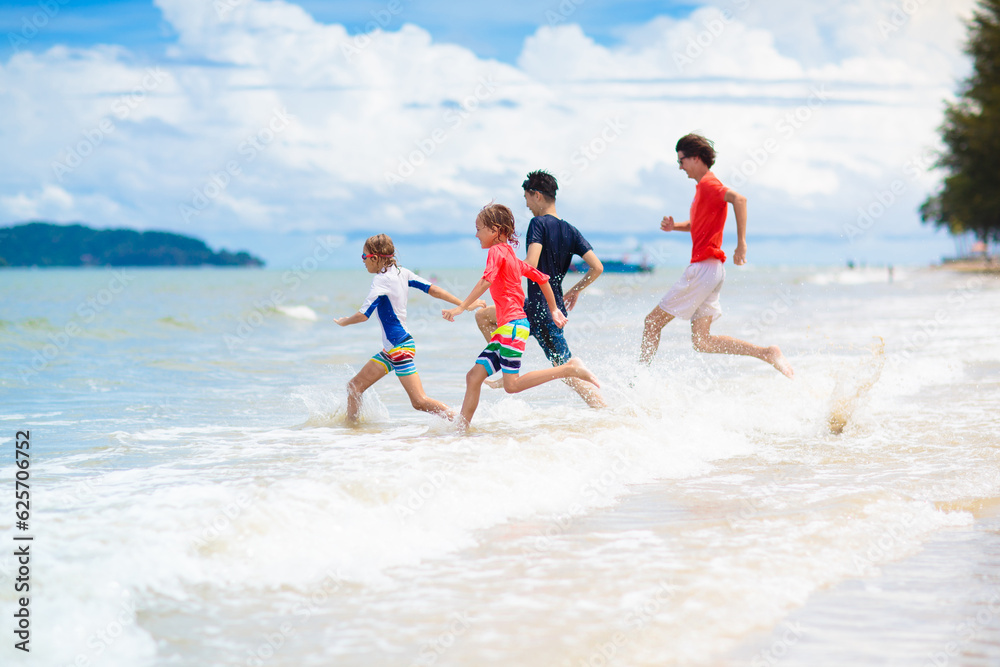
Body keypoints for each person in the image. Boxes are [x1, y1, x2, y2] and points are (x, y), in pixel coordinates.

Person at [639, 134, 794, 378]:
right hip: (712, 270)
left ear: (696, 158)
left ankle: (638, 381)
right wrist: (674, 226)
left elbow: (739, 199)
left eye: (681, 160)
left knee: (651, 323)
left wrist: (741, 243)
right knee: (702, 342)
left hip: (703, 268)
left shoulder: (709, 185)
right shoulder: (703, 189)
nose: (680, 167)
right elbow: (698, 224)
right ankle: (767, 353)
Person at [442, 203, 601, 431]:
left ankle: (568, 369)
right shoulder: (511, 256)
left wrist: (461, 307)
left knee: (512, 385)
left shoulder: (496, 252)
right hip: (508, 328)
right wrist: (554, 310)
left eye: (479, 229)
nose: (476, 234)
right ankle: (461, 429)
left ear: (495, 230)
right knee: (474, 376)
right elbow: (543, 279)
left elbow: (486, 280)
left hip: (513, 327)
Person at [474, 170, 606, 408]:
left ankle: (603, 409)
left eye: (527, 198)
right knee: (483, 316)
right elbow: (597, 267)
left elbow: (531, 264)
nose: (527, 206)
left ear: (536, 195)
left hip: (539, 310)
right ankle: (506, 368)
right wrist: (575, 290)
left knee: (566, 369)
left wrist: (505, 269)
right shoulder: (571, 230)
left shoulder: (538, 223)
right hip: (543, 308)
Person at [335, 234, 485, 423]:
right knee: (354, 387)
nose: (363, 261)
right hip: (393, 349)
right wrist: (465, 305)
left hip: (399, 349)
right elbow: (434, 290)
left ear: (375, 258)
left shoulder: (380, 281)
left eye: (364, 256)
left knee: (419, 401)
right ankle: (352, 430)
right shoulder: (403, 273)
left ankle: (461, 422)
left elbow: (363, 315)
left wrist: (345, 321)